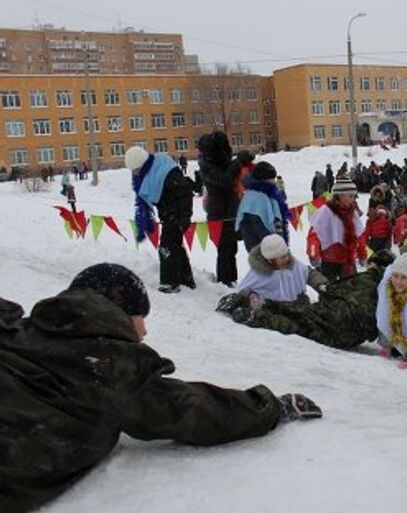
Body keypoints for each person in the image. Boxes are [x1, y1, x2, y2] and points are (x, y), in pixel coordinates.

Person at [0, 263, 321, 513]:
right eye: (141, 315)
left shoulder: (20, 332)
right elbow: (193, 409)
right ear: (120, 311)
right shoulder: (111, 368)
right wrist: (270, 407)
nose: (144, 328)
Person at [218, 250, 396, 350]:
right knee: (300, 323)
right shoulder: (391, 288)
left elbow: (332, 290)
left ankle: (255, 313)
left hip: (336, 319)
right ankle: (256, 312)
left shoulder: (367, 279)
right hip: (348, 334)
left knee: (297, 318)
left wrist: (326, 290)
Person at [126, 145, 195, 293]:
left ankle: (170, 283)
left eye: (135, 169)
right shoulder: (149, 173)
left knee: (166, 247)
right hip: (167, 214)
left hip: (176, 214)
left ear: (142, 164)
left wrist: (185, 217)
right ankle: (186, 279)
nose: (135, 173)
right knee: (175, 246)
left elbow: (185, 192)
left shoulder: (166, 171)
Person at [225, 234, 328, 312]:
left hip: (299, 306)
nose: (287, 259)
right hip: (276, 311)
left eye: (286, 254)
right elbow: (243, 290)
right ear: (270, 259)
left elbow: (308, 273)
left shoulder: (293, 264)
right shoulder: (258, 273)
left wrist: (320, 284)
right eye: (282, 257)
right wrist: (252, 297)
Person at [197, 132, 240, 287]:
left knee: (231, 248)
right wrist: (238, 162)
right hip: (219, 214)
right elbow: (225, 180)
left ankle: (231, 279)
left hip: (230, 211)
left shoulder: (221, 163)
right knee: (225, 249)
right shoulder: (206, 166)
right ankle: (225, 281)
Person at [308, 177, 366, 281]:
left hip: (349, 260)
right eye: (351, 196)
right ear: (340, 196)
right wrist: (313, 254)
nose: (354, 199)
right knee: (329, 290)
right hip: (329, 260)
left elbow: (360, 236)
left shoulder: (352, 213)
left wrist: (363, 255)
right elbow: (314, 234)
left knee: (351, 291)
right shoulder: (326, 212)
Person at [236, 160, 291, 253]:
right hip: (262, 249)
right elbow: (260, 226)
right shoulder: (255, 198)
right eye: (271, 178)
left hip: (273, 246)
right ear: (263, 179)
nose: (274, 181)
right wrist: (275, 248)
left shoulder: (268, 195)